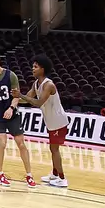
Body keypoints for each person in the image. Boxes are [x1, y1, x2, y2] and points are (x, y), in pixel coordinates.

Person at [0, 52, 35, 188]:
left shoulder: (11, 75)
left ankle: (29, 175)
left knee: (21, 144)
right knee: (2, 143)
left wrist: (11, 108)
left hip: (12, 113)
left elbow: (16, 96)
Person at [20, 55, 68, 188]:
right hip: (51, 122)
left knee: (54, 149)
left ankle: (63, 178)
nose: (32, 68)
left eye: (35, 66)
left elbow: (38, 102)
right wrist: (12, 100)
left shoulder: (49, 85)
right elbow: (27, 98)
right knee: (53, 149)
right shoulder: (36, 84)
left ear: (43, 69)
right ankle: (54, 174)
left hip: (58, 121)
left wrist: (20, 95)